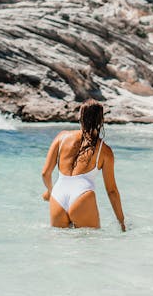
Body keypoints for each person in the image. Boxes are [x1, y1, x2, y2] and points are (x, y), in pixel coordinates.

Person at [42, 99, 126, 231]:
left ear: (80, 117)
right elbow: (112, 191)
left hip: (58, 196)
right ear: (101, 120)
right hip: (82, 197)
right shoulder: (104, 150)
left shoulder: (61, 137)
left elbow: (45, 173)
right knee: (90, 247)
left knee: (59, 247)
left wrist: (49, 191)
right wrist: (121, 222)